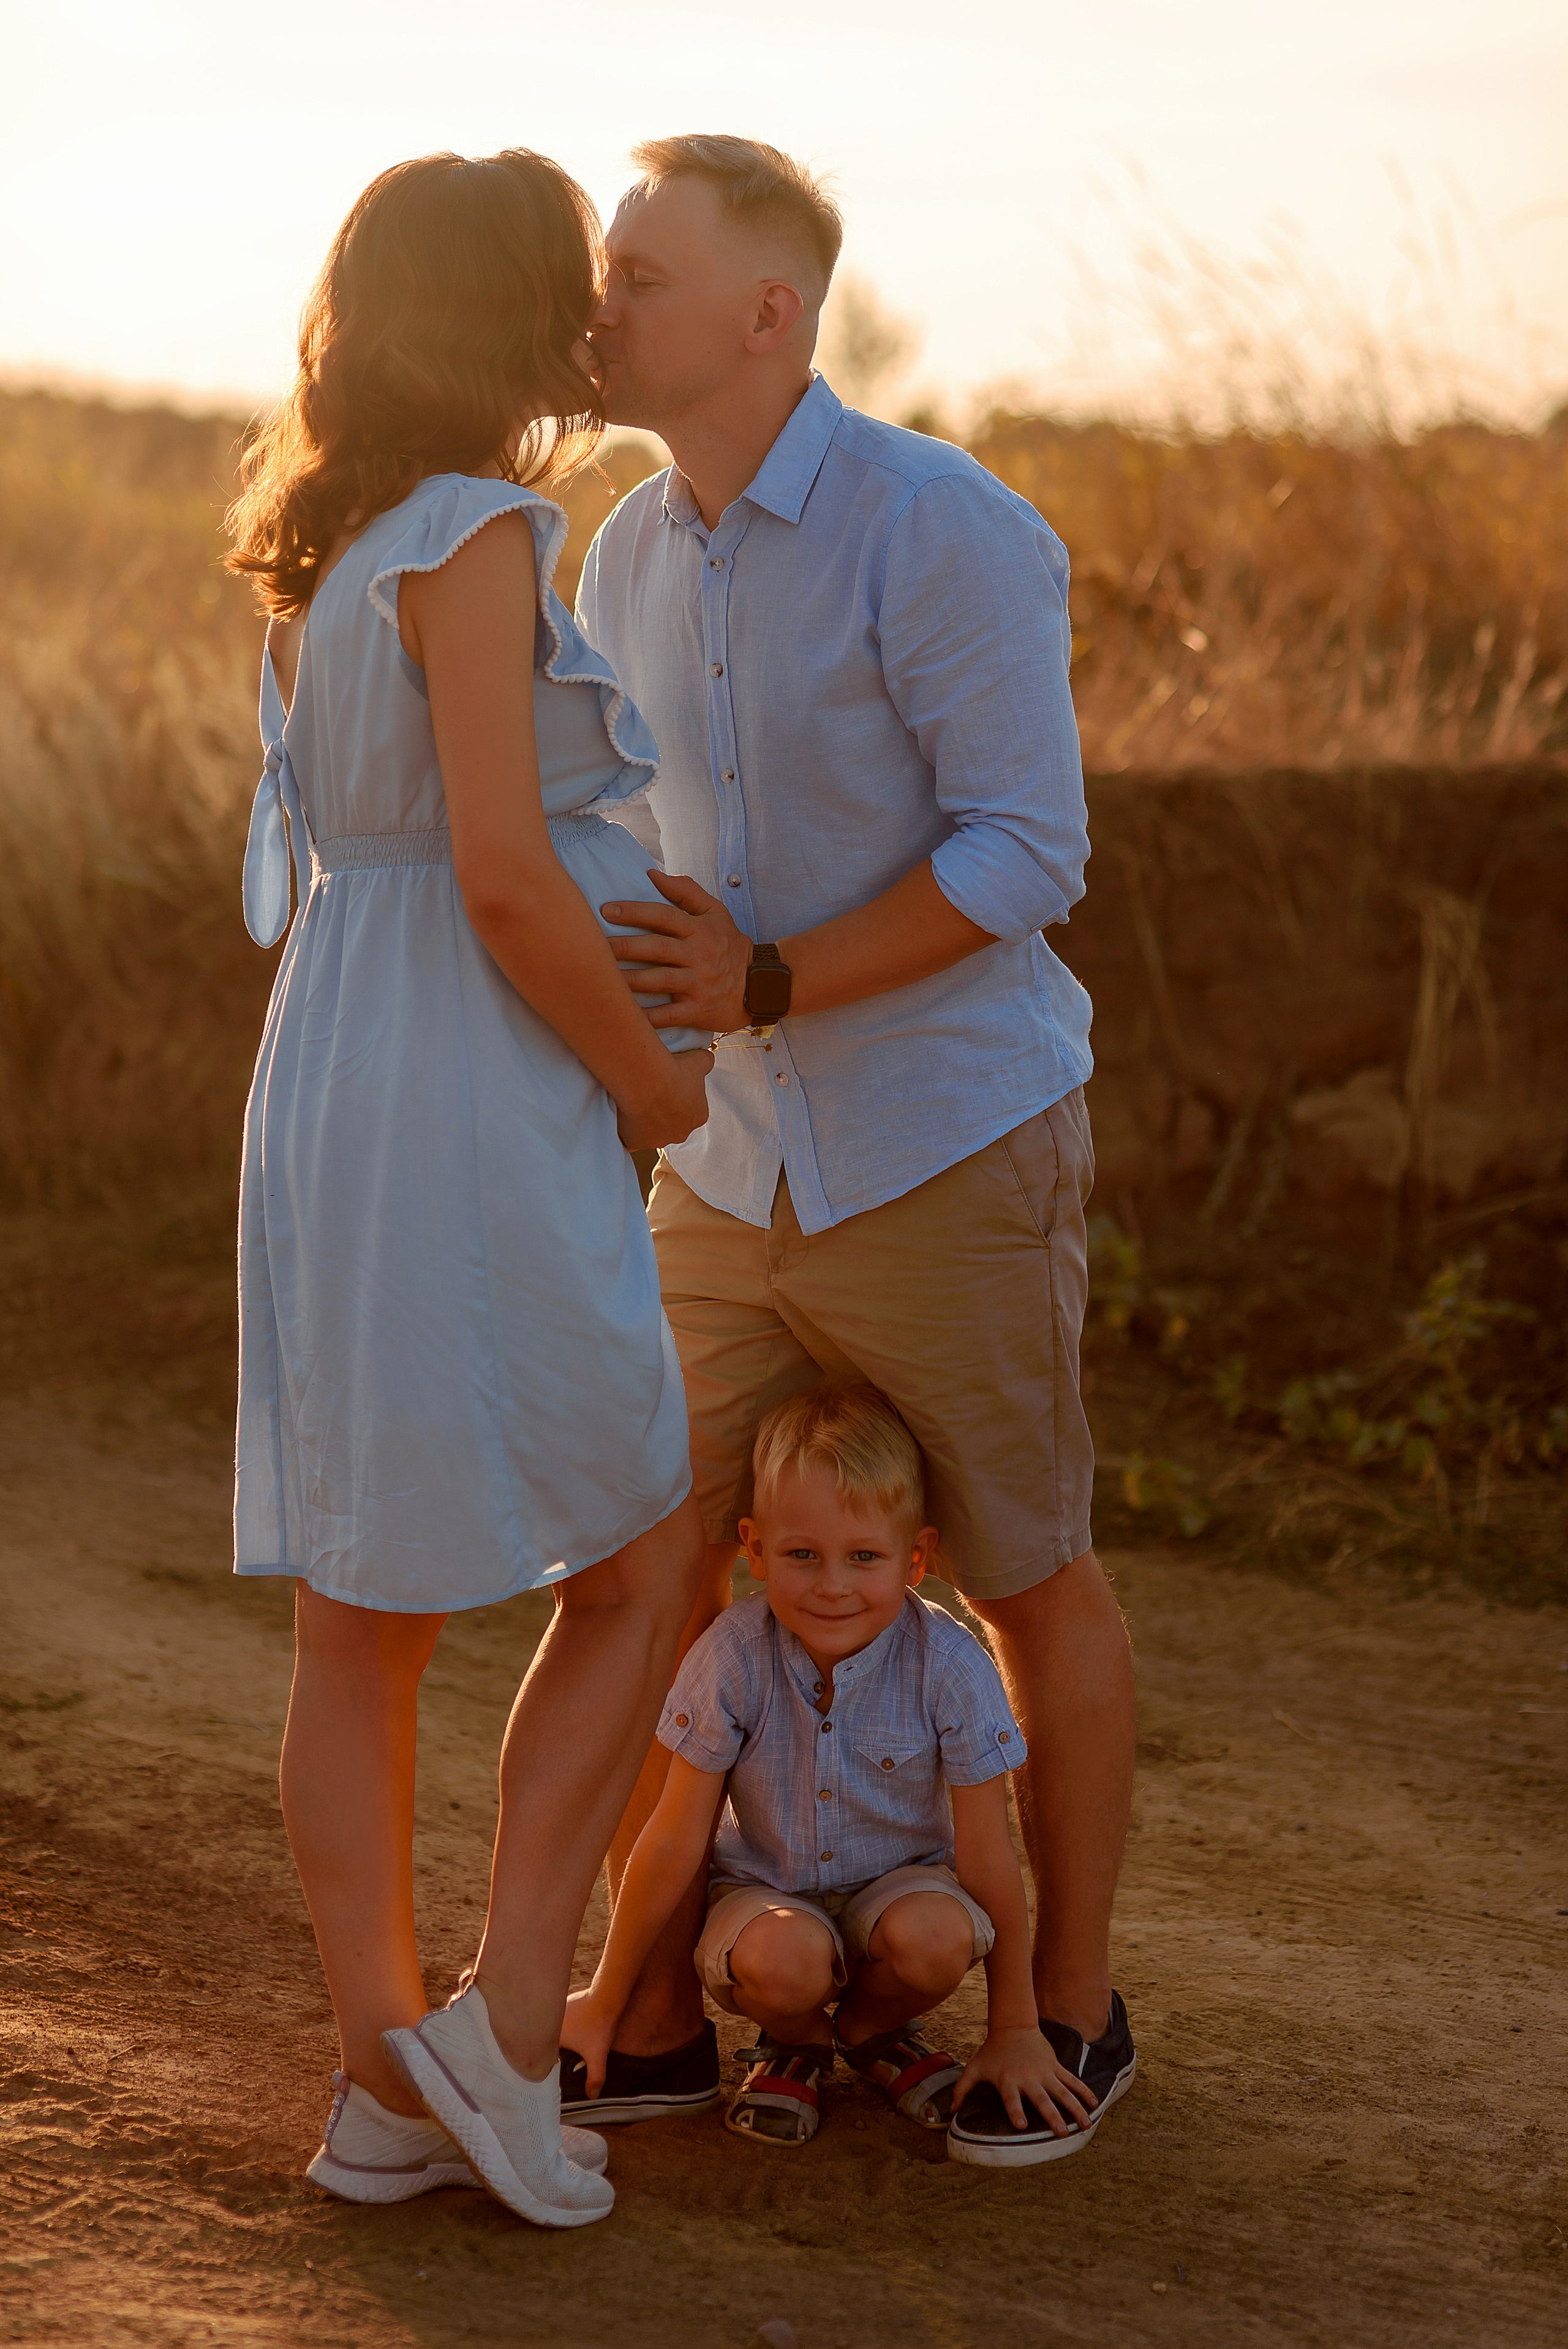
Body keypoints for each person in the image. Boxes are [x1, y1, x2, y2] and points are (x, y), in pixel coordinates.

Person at [565, 134, 1137, 2165]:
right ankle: (642, 2017)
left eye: (637, 275)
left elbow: (1029, 847)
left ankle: (1073, 2012)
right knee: (637, 1567)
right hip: (722, 1171)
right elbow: (630, 865)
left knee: (1028, 1576)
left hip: (946, 1148)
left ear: (768, 314)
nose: (599, 303)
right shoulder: (622, 555)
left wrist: (777, 977)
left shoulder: (942, 524)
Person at [225, 148, 710, 2227]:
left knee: (360, 1621)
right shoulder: (485, 532)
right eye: (571, 282)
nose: (597, 318)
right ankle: (506, 2027)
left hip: (335, 1054)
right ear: (508, 310)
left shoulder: (324, 550)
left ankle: (381, 2087)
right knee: (642, 1545)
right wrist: (652, 1086)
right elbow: (508, 877)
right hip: (461, 1066)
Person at [565, 1386, 1108, 2163]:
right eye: (801, 1555)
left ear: (915, 1557)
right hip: (766, 1904)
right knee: (783, 1962)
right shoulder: (731, 1656)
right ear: (754, 1548)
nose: (832, 1585)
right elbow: (673, 1839)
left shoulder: (950, 1666)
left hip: (903, 1896)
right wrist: (604, 1998)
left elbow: (989, 1857)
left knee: (937, 1937)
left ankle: (869, 2028)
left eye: (864, 1557)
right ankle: (799, 2041)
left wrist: (1015, 2027)